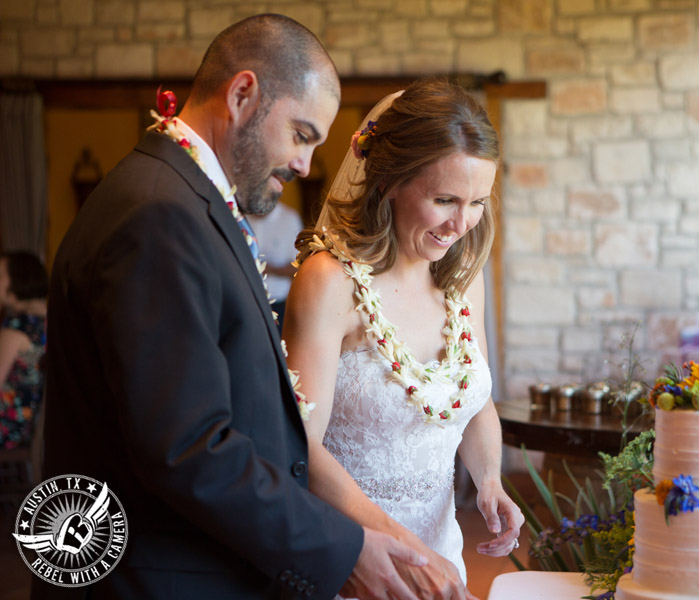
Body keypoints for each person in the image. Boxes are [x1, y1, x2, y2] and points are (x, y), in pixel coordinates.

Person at [39, 15, 452, 600]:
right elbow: (186, 446)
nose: (306, 165)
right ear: (242, 94)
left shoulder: (181, 195)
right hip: (155, 576)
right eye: (302, 134)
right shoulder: (159, 214)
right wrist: (342, 547)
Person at [282, 79, 525, 592]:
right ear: (389, 182)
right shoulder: (331, 281)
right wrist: (401, 546)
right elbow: (299, 444)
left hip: (442, 556)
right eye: (444, 199)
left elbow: (474, 400)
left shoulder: (462, 278)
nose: (462, 223)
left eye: (478, 201)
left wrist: (489, 481)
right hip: (356, 560)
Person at [0, 251, 48, 450]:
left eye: (1, 276)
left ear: (18, 280)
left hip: (7, 426)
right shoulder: (43, 320)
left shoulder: (18, 326)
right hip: (25, 426)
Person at [247, 201, 304, 331]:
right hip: (247, 301)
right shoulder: (242, 215)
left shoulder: (289, 219)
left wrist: (271, 269)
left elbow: (299, 266)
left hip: (277, 303)